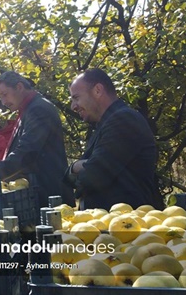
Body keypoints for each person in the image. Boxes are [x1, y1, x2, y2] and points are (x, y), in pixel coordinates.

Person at [0, 71, 74, 208]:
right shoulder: (27, 110)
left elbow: (27, 153)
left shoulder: (38, 109)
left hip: (49, 196)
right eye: (0, 97)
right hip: (38, 194)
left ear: (19, 87)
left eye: (5, 95)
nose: (4, 102)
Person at [64, 68, 159, 210]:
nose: (73, 106)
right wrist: (78, 167)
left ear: (98, 90)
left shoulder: (124, 120)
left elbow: (93, 176)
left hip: (126, 225)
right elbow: (70, 179)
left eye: (76, 98)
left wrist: (76, 166)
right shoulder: (105, 123)